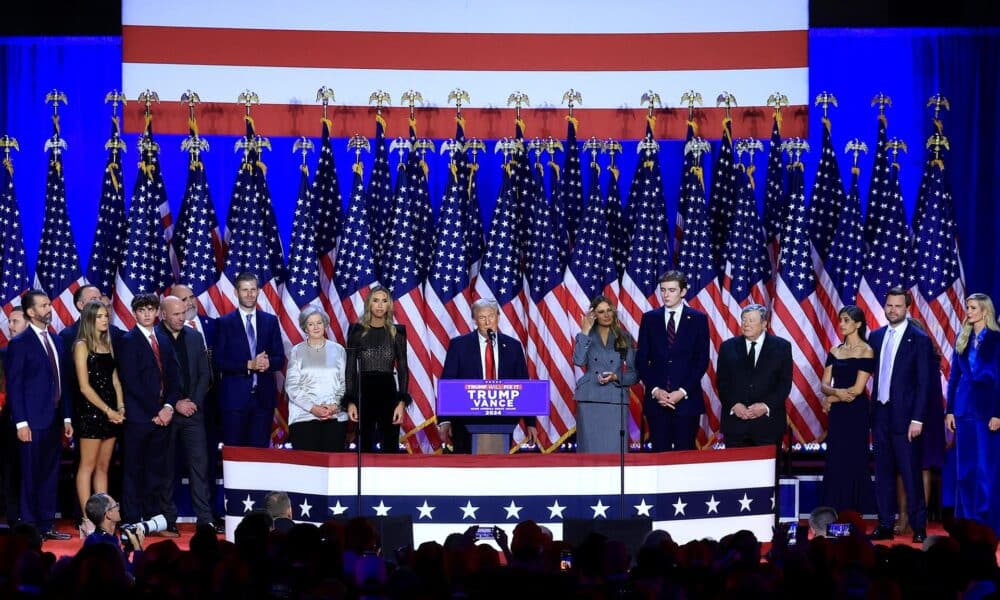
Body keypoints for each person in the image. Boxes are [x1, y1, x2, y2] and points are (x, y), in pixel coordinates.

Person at [5, 290, 74, 540]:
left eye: (49, 304)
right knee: (30, 474)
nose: (49, 308)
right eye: (43, 305)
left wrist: (66, 418)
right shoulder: (20, 344)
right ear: (31, 312)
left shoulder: (56, 341)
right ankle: (30, 527)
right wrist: (21, 422)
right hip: (31, 422)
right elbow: (15, 385)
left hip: (54, 420)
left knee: (49, 472)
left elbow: (62, 381)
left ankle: (46, 524)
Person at [868, 287, 933, 543]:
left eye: (898, 306)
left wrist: (917, 419)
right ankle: (885, 523)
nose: (892, 310)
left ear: (907, 309)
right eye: (889, 306)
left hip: (906, 420)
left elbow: (923, 383)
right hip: (881, 415)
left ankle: (919, 526)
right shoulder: (875, 336)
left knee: (910, 473)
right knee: (882, 473)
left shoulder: (919, 339)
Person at [118, 293, 181, 537]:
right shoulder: (128, 340)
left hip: (162, 418)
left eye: (150, 309)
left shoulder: (163, 340)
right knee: (134, 470)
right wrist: (156, 410)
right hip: (139, 418)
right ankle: (132, 520)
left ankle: (153, 521)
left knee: (158, 471)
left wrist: (168, 407)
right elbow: (131, 382)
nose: (146, 314)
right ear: (134, 313)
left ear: (157, 313)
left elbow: (174, 378)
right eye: (141, 310)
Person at [440, 298, 534, 453]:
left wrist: (531, 422)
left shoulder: (513, 346)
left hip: (503, 419)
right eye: (482, 317)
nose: (487, 322)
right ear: (475, 320)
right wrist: (445, 419)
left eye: (491, 316)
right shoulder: (459, 345)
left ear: (498, 317)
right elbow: (448, 382)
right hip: (465, 419)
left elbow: (523, 384)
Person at [635, 271, 710, 451]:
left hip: (687, 401)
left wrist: (681, 392)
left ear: (683, 292)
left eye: (671, 290)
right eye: (663, 290)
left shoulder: (698, 319)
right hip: (657, 403)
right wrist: (655, 390)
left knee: (685, 456)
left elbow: (701, 361)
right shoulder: (649, 319)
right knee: (659, 456)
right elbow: (642, 360)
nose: (666, 295)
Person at [158, 296, 215, 530]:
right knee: (167, 469)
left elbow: (205, 375)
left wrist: (194, 402)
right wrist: (174, 404)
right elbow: (152, 379)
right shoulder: (154, 338)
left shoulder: (195, 336)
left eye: (183, 313)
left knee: (199, 467)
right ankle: (167, 520)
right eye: (176, 314)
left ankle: (205, 519)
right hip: (166, 413)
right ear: (163, 315)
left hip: (193, 413)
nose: (182, 317)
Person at [945, 293, 1000, 533]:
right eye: (967, 307)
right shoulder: (963, 338)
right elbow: (954, 376)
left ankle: (985, 523)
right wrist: (949, 411)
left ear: (985, 311)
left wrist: (998, 413)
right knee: (964, 469)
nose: (968, 311)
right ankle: (966, 522)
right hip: (963, 409)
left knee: (985, 469)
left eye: (973, 307)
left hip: (987, 410)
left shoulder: (997, 339)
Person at [214, 272, 286, 448]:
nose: (249, 294)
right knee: (235, 452)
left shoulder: (270, 321)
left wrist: (269, 363)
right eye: (245, 290)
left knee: (258, 454)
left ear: (259, 291)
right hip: (234, 402)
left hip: (263, 401)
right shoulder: (224, 323)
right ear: (236, 292)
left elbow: (279, 358)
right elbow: (218, 361)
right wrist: (249, 365)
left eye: (253, 289)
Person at [72, 300, 125, 537]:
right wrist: (107, 410)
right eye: (101, 316)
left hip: (112, 413)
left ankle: (104, 519)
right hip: (92, 412)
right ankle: (87, 519)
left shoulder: (108, 343)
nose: (105, 319)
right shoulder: (81, 345)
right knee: (88, 466)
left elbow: (114, 380)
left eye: (107, 315)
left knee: (104, 467)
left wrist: (120, 407)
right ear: (90, 319)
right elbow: (84, 387)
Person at [819, 305, 875, 514]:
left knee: (854, 458)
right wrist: (833, 395)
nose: (841, 324)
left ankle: (853, 510)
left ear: (858, 324)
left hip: (856, 413)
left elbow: (858, 389)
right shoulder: (835, 351)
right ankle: (833, 507)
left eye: (846, 320)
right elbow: (824, 384)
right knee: (836, 458)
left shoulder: (867, 351)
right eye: (841, 320)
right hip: (839, 415)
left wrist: (833, 398)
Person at [716, 304, 792, 447]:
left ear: (764, 324)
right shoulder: (727, 347)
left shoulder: (782, 347)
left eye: (751, 320)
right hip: (735, 426)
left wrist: (765, 406)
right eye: (743, 319)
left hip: (768, 425)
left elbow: (784, 384)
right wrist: (734, 404)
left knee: (768, 469)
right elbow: (722, 382)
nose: (746, 324)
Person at [345, 286, 409, 453]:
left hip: (388, 391)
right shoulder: (356, 331)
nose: (380, 305)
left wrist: (401, 402)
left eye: (384, 301)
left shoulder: (398, 332)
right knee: (364, 446)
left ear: (389, 305)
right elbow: (350, 368)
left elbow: (403, 369)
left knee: (390, 445)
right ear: (369, 304)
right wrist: (351, 401)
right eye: (375, 300)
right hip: (363, 392)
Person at [572, 295, 637, 453]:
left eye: (609, 310)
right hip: (589, 399)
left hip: (615, 399)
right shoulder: (585, 336)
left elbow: (634, 374)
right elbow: (579, 361)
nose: (607, 315)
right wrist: (585, 331)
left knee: (614, 451)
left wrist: (616, 377)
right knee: (589, 451)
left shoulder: (625, 337)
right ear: (594, 315)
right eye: (601, 312)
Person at [285, 306, 348, 452]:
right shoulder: (297, 351)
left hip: (335, 416)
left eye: (319, 323)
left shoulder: (338, 350)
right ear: (305, 328)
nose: (315, 327)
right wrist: (313, 408)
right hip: (304, 417)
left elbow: (345, 383)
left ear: (325, 324)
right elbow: (292, 386)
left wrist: (335, 406)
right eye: (311, 324)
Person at [1, 306, 27, 524]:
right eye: (9, 321)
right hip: (8, 421)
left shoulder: (42, 350)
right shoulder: (3, 353)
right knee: (10, 469)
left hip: (37, 419)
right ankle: (12, 516)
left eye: (15, 321)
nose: (10, 326)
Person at [83, 492, 144, 562]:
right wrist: (137, 547)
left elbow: (119, 564)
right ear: (108, 514)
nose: (118, 508)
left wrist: (127, 550)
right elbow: (128, 570)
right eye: (116, 506)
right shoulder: (108, 545)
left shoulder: (91, 539)